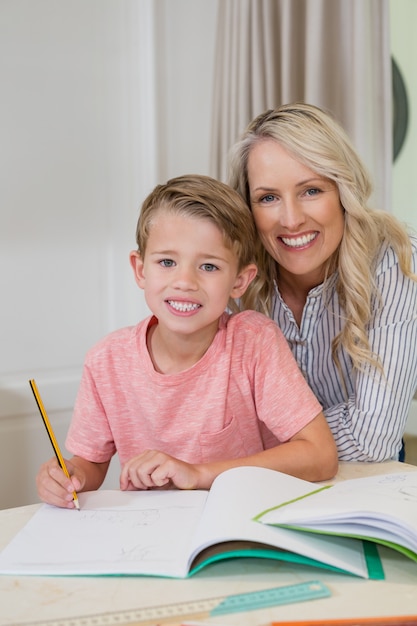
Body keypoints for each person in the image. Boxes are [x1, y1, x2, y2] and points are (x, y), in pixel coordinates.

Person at [36, 174, 337, 508]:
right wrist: (68, 476)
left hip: (236, 524)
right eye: (167, 262)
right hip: (148, 540)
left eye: (208, 266)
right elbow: (89, 465)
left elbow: (320, 454)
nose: (184, 282)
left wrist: (197, 473)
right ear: (140, 269)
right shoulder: (106, 361)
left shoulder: (254, 343)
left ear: (240, 281)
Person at [228, 102, 417, 463]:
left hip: (364, 480)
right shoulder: (233, 277)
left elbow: (372, 439)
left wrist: (257, 447)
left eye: (311, 190)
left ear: (342, 191)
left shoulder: (396, 263)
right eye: (268, 198)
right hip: (258, 479)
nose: (291, 219)